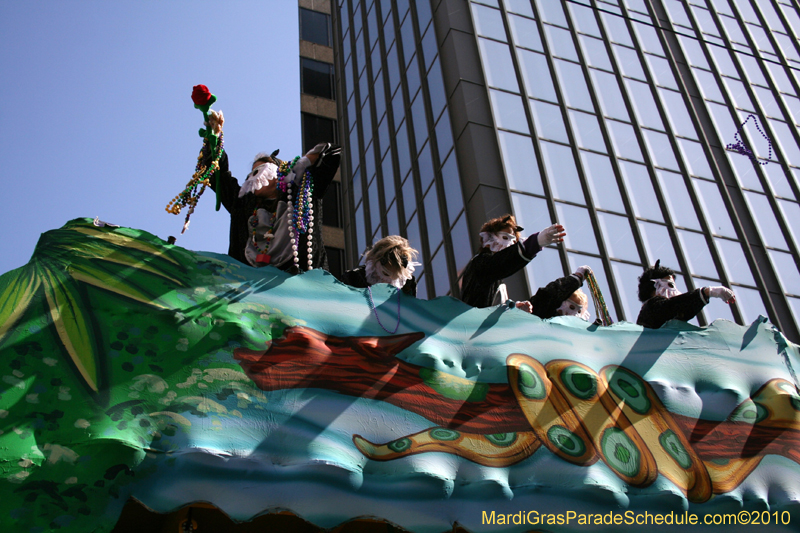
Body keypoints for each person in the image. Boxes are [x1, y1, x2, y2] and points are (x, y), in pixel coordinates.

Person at [207, 142, 341, 273]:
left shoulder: (302, 192)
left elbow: (331, 153)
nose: (252, 178)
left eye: (259, 171)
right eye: (250, 175)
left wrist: (304, 163)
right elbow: (217, 175)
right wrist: (214, 138)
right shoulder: (243, 204)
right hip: (249, 287)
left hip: (301, 286)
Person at [459, 214, 565, 308]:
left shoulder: (496, 278)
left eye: (513, 241)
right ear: (488, 238)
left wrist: (513, 310)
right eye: (505, 237)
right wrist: (535, 242)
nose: (510, 244)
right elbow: (499, 262)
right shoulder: (480, 264)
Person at [636, 261, 735, 329]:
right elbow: (670, 307)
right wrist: (707, 292)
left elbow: (684, 309)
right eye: (670, 285)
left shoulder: (675, 317)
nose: (674, 290)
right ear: (655, 287)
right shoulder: (651, 309)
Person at [339, 236, 419, 296]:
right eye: (386, 273)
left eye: (395, 277)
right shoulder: (353, 278)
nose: (388, 281)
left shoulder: (408, 285)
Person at [525, 266, 592, 320]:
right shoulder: (539, 313)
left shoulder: (576, 332)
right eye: (571, 307)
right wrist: (576, 279)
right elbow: (548, 295)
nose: (573, 314)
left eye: (579, 312)